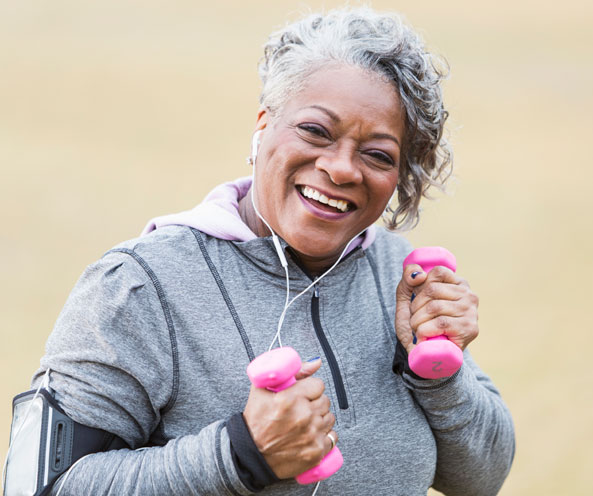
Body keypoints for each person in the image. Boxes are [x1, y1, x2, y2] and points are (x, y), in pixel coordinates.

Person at [12, 7, 514, 496]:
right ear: (262, 125)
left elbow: (480, 479)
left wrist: (437, 372)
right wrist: (240, 455)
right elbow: (42, 486)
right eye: (315, 131)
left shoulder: (398, 275)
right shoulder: (140, 286)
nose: (342, 169)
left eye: (378, 154)